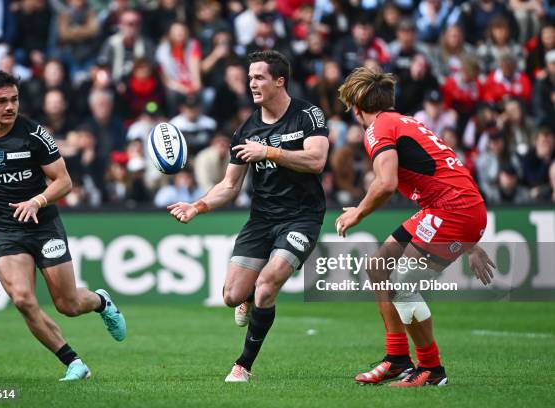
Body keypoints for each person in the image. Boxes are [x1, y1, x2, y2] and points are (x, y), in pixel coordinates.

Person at [0, 71, 126, 381]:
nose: (10, 106)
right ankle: (74, 363)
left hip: (44, 227)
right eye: (2, 101)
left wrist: (37, 201)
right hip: (7, 231)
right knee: (23, 300)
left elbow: (64, 182)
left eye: (14, 99)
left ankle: (101, 301)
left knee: (67, 304)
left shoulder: (34, 135)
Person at [167, 50, 330, 382]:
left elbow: (316, 161)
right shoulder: (247, 129)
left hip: (301, 217)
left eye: (259, 77)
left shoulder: (308, 115)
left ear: (279, 81)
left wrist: (268, 151)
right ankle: (248, 301)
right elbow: (229, 186)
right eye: (250, 77)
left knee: (267, 286)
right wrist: (196, 206)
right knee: (232, 296)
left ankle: (242, 365)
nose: (251, 83)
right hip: (262, 220)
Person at [336, 67, 494, 387]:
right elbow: (442, 177)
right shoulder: (405, 121)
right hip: (450, 208)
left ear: (356, 108)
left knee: (403, 282)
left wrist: (358, 214)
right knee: (379, 267)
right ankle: (396, 359)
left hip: (453, 210)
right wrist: (471, 243)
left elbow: (386, 183)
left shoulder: (378, 128)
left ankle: (431, 370)